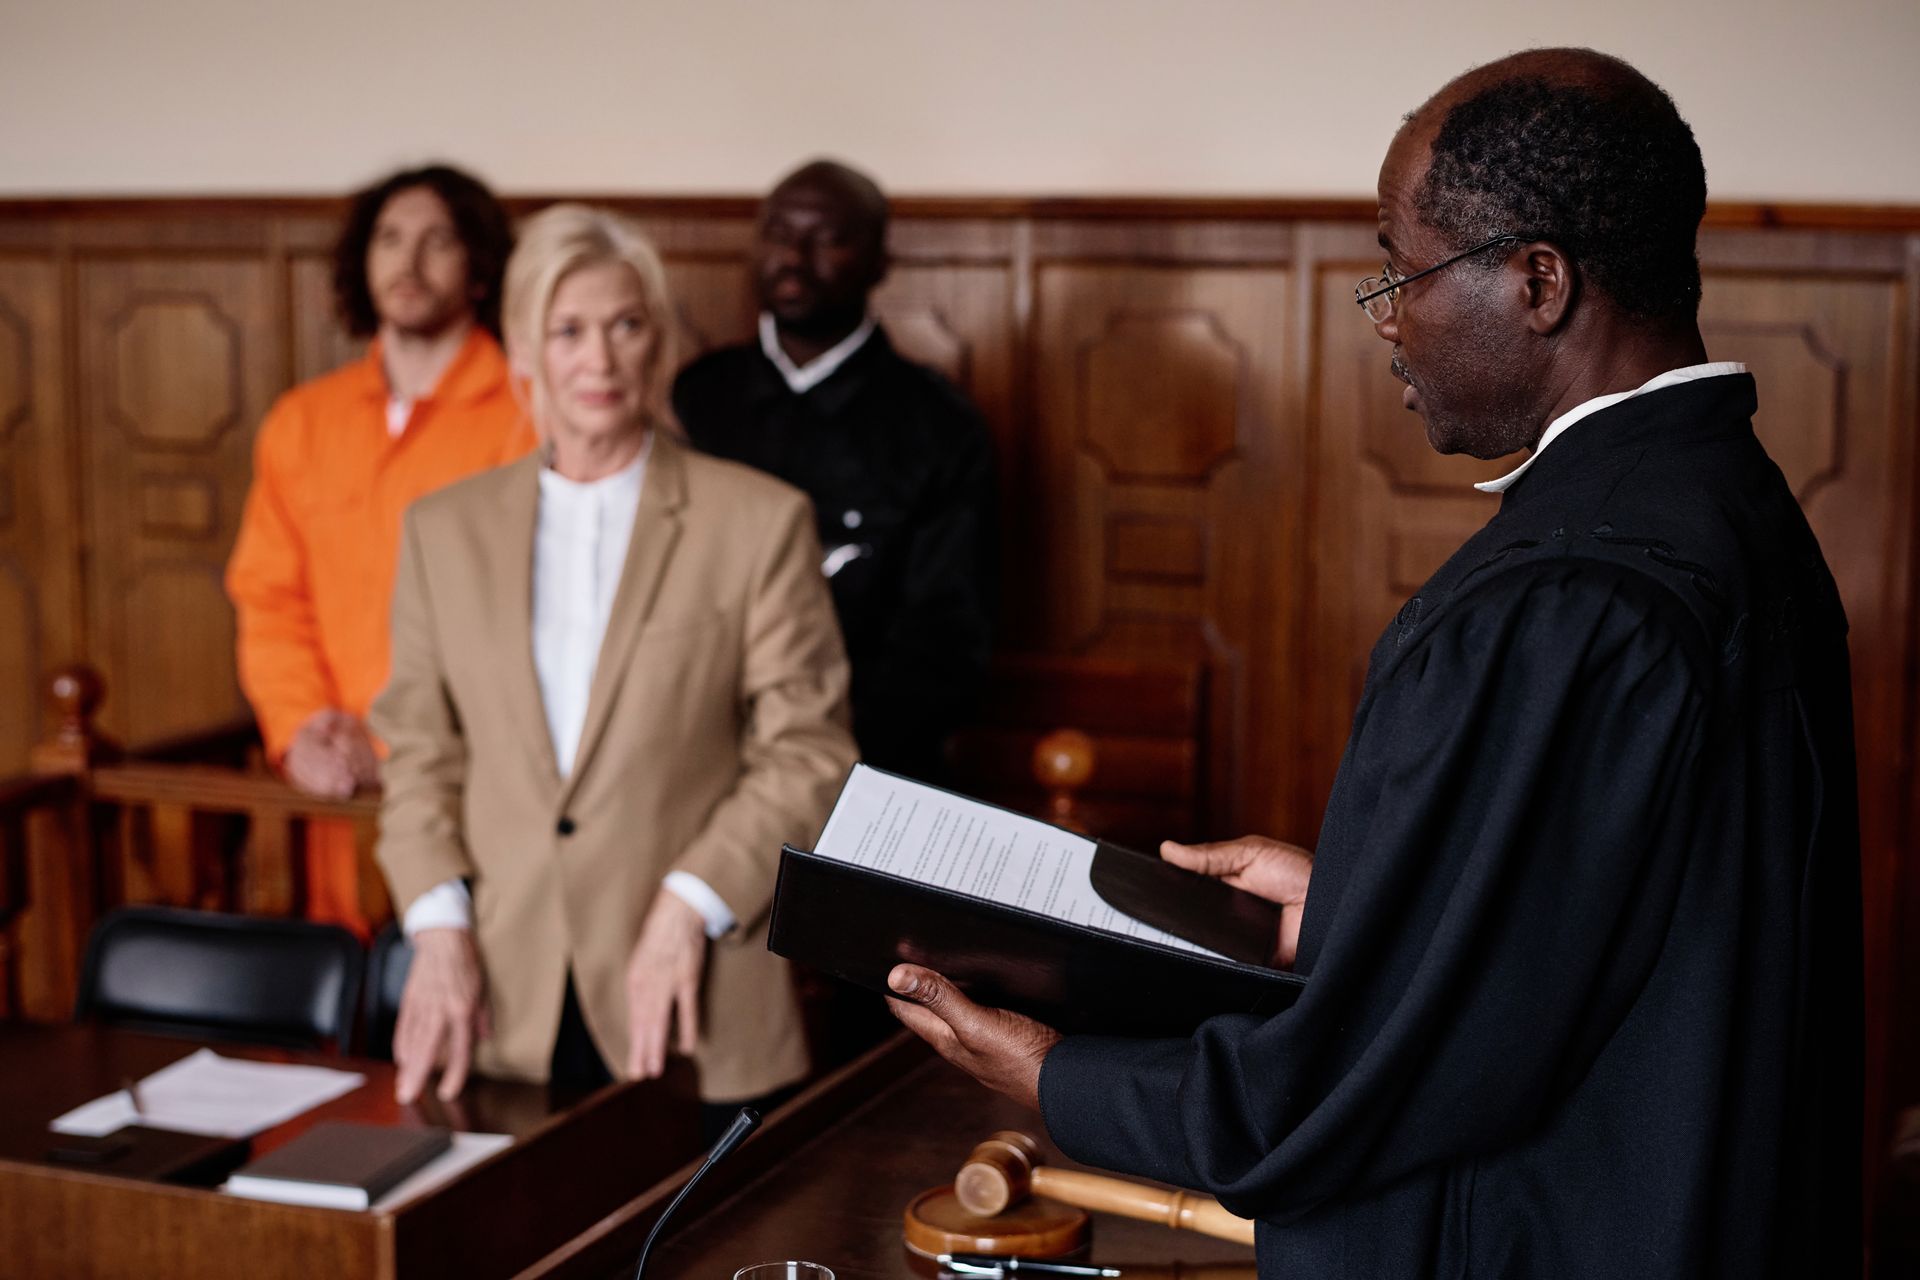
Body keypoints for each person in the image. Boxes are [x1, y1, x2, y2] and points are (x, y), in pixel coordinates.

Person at [885, 48, 1862, 1279]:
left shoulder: (1566, 599)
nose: (1389, 315)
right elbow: (1588, 923)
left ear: (1539, 281)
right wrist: (1358, 900)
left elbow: (1373, 1085)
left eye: (1402, 268)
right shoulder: (1735, 505)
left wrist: (1052, 1073)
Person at [372, 204, 856, 1133]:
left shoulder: (757, 521)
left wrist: (690, 902)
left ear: (658, 342)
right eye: (569, 330)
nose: (599, 360)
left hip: (698, 992)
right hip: (497, 1001)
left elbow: (810, 753)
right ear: (524, 350)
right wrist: (436, 928)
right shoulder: (443, 530)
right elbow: (419, 753)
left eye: (626, 326)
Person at [226, 165, 533, 935]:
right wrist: (300, 730)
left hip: (477, 791)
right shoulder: (304, 420)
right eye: (389, 239)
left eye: (438, 241)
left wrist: (395, 747)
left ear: (480, 267)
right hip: (328, 789)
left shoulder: (529, 413)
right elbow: (270, 599)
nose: (409, 261)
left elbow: (534, 617)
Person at [672, 159, 996, 784]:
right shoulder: (694, 398)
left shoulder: (940, 426)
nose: (794, 257)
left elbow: (946, 651)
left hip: (866, 770)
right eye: (778, 233)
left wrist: (805, 752)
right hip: (690, 761)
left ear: (879, 261)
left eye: (827, 237)